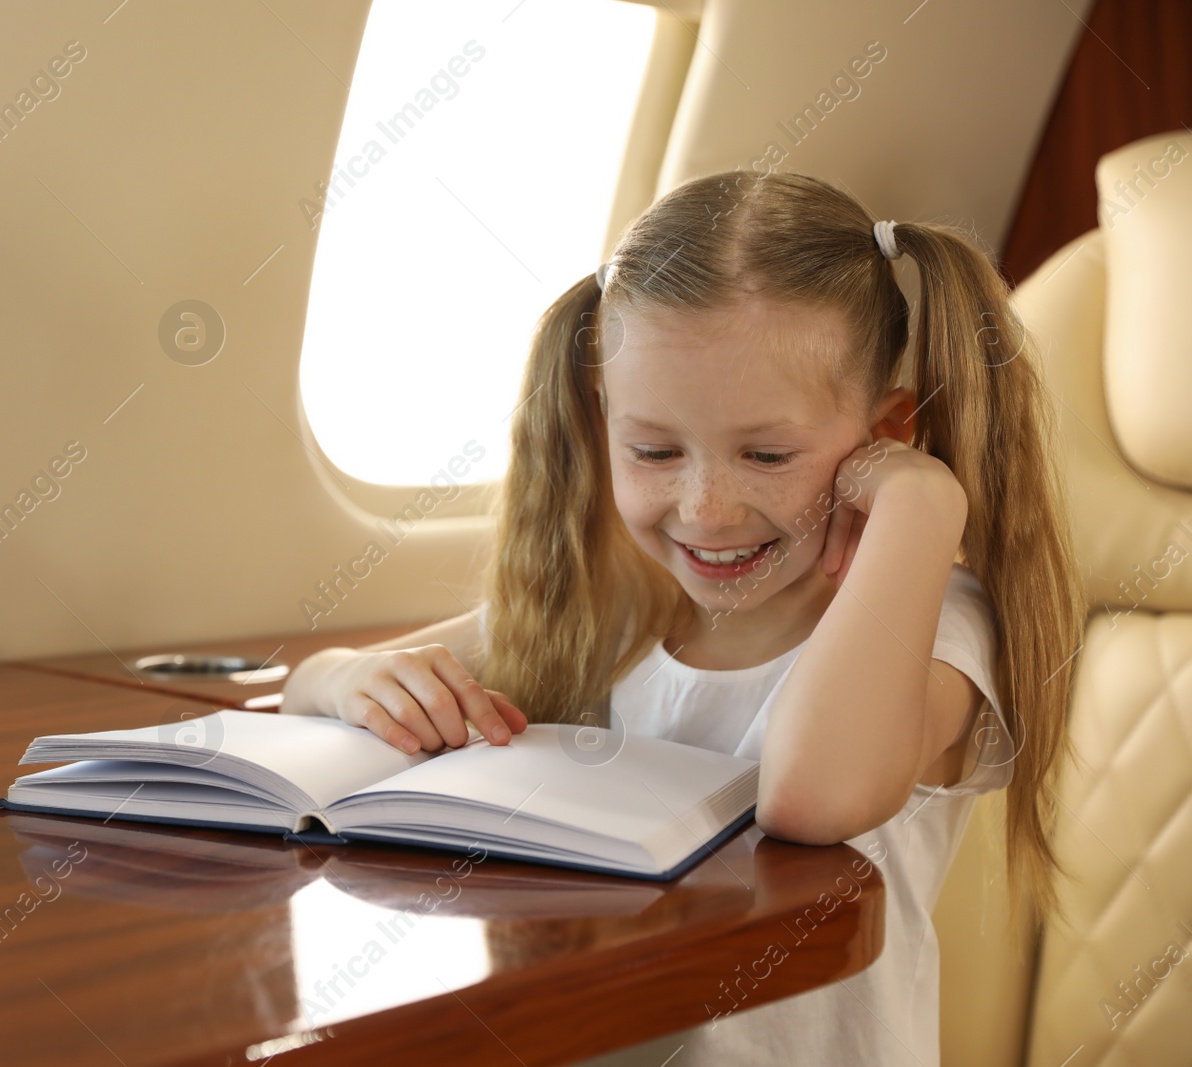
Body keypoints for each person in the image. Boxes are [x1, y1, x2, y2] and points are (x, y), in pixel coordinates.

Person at [279, 170, 1086, 1065]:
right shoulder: (625, 606)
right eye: (655, 450)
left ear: (884, 439)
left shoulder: (940, 627)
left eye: (768, 453)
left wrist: (921, 509)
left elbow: (812, 798)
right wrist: (346, 676)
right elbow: (310, 689)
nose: (706, 509)